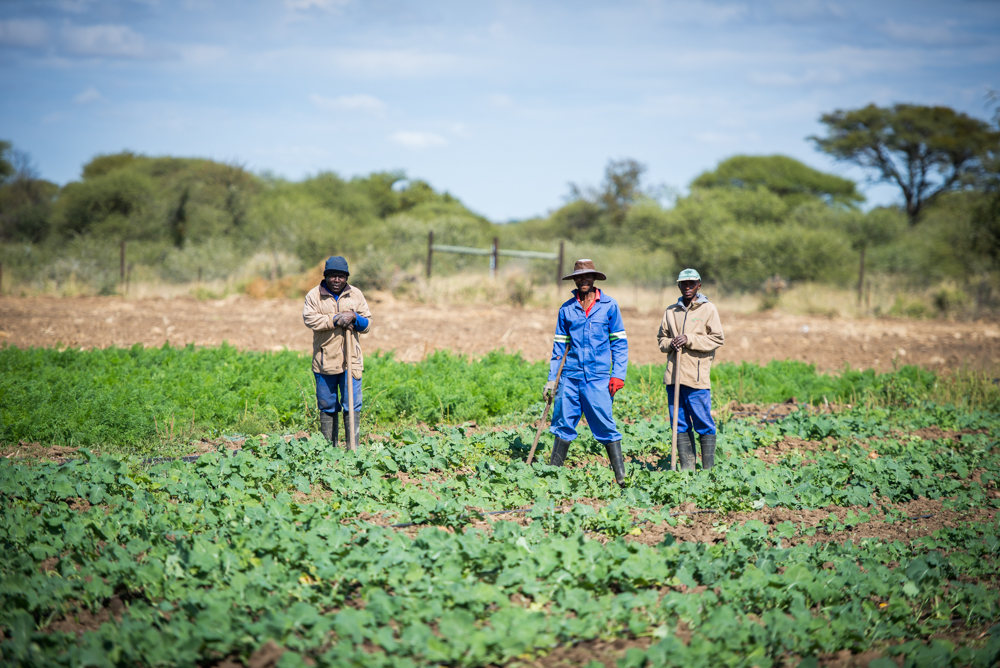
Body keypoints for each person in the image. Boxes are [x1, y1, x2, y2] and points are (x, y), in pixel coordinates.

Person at [543, 259, 629, 486]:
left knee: (605, 424)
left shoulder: (609, 306)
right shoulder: (566, 309)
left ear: (594, 278)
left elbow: (620, 344)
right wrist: (552, 379)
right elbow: (559, 348)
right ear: (574, 280)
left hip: (598, 378)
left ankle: (621, 477)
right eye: (579, 277)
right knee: (563, 423)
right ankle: (553, 476)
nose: (583, 280)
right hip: (570, 377)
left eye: (587, 276)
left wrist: (618, 374)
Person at [657, 268, 724, 470]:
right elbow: (661, 340)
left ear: (698, 285)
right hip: (674, 377)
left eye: (691, 283)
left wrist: (689, 339)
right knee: (679, 424)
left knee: (703, 422)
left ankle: (708, 471)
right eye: (683, 284)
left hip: (696, 377)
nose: (687, 287)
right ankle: (687, 470)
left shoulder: (708, 309)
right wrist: (671, 343)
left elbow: (717, 339)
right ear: (679, 286)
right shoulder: (671, 311)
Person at [302, 256, 373, 448]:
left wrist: (354, 317)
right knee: (327, 405)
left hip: (351, 361)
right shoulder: (314, 296)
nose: (336, 280)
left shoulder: (356, 295)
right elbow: (310, 319)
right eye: (332, 276)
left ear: (346, 278)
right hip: (325, 361)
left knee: (352, 404)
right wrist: (335, 319)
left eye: (341, 276)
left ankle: (352, 450)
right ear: (325, 276)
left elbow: (367, 324)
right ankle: (329, 450)